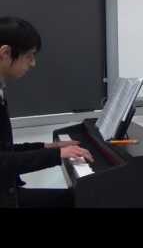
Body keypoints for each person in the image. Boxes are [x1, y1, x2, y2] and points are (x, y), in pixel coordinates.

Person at [0, 17, 93, 208]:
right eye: (29, 56)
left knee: (78, 198)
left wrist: (47, 146)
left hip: (9, 192)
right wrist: (57, 154)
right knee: (84, 201)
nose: (33, 63)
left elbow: (5, 150)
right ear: (5, 53)